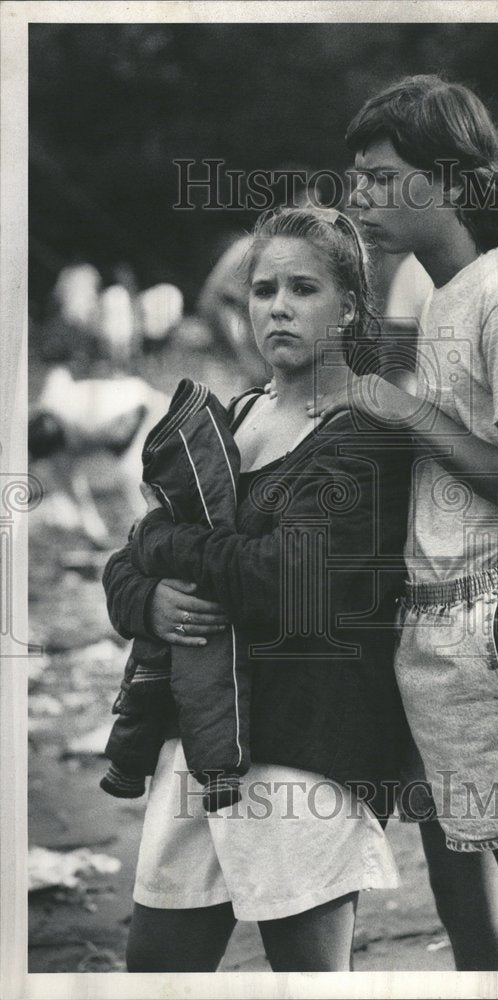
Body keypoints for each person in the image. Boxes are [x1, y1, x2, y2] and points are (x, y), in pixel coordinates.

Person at [310, 74, 498, 971]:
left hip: (495, 629)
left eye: (376, 177)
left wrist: (404, 412)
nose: (355, 197)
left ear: (447, 179)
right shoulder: (441, 293)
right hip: (435, 628)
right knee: (458, 887)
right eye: (354, 178)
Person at [102, 206, 414, 972]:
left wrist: (167, 544)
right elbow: (124, 567)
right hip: (202, 731)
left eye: (302, 288)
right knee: (156, 969)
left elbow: (292, 576)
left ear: (349, 306)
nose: (277, 305)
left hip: (305, 741)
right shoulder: (231, 417)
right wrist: (152, 601)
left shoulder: (365, 426)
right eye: (264, 288)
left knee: (308, 978)